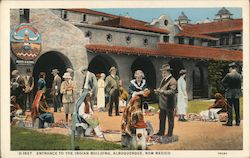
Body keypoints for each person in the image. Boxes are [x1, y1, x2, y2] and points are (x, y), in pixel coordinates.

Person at [154, 64, 177, 140]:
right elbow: (162, 89)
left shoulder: (173, 80)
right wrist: (158, 91)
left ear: (168, 72)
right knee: (162, 118)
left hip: (169, 103)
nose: (162, 74)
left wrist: (162, 91)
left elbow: (172, 91)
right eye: (162, 72)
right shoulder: (163, 80)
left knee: (170, 119)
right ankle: (161, 131)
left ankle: (170, 133)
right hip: (162, 103)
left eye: (163, 72)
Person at [222, 62, 242, 126]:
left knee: (230, 108)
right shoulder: (239, 75)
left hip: (229, 93)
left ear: (231, 68)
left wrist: (226, 88)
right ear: (235, 68)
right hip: (237, 93)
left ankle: (230, 122)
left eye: (229, 68)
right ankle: (237, 122)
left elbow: (223, 82)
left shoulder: (228, 75)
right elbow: (240, 85)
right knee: (237, 108)